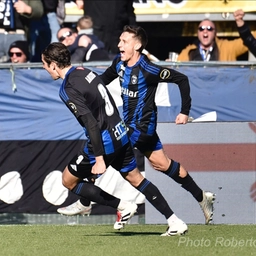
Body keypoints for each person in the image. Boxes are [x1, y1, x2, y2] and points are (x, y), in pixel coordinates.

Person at [57, 26, 216, 232]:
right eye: (119, 41)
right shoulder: (120, 64)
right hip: (131, 128)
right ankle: (202, 197)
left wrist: (184, 111)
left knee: (104, 152)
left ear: (137, 45)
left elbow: (181, 79)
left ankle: (89, 203)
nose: (119, 45)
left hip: (140, 129)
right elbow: (101, 82)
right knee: (163, 165)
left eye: (124, 41)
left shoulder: (148, 70)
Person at [42, 42, 189, 236]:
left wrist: (100, 158)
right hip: (120, 133)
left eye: (45, 65)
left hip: (104, 141)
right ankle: (174, 221)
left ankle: (121, 206)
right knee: (136, 179)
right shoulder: (84, 71)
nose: (45, 69)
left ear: (53, 64)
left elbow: (91, 124)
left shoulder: (67, 88)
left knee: (68, 180)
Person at [176, 18, 250, 61]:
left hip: (221, 86)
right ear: (198, 33)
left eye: (209, 29)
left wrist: (242, 25)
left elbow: (249, 40)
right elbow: (178, 70)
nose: (205, 31)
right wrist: (170, 65)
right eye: (201, 29)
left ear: (215, 33)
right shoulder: (188, 52)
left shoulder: (226, 48)